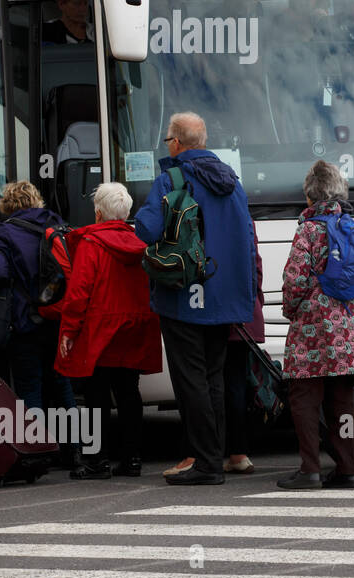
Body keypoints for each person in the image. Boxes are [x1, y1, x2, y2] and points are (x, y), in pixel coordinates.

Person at [135, 112, 257, 486]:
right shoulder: (232, 182)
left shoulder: (171, 178)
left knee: (191, 380)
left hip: (182, 293)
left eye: (168, 140)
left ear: (176, 143)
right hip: (222, 295)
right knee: (213, 377)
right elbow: (244, 240)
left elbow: (147, 227)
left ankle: (204, 462)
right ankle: (214, 455)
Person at [276, 161, 354, 489]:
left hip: (315, 329)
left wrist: (292, 311)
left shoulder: (309, 229)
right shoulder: (352, 226)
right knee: (341, 398)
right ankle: (349, 467)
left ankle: (310, 468)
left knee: (304, 397)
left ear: (310, 195)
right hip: (353, 328)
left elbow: (295, 279)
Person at [51, 183, 161, 479]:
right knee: (129, 392)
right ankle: (132, 458)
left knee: (96, 395)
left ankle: (96, 461)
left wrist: (69, 332)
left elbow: (79, 293)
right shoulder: (141, 244)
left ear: (98, 212)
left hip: (100, 327)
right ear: (126, 213)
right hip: (135, 324)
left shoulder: (91, 243)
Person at [0, 182, 74, 417]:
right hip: (58, 317)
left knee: (30, 387)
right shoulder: (57, 223)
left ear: (7, 205)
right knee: (62, 385)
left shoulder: (5, 232)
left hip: (25, 322)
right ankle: (74, 450)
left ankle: (39, 450)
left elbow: (0, 272)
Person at [222, 227, 263, 476]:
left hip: (217, 315)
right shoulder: (244, 219)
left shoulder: (209, 215)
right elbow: (256, 267)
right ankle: (239, 452)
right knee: (236, 384)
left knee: (215, 386)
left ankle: (207, 453)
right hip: (245, 313)